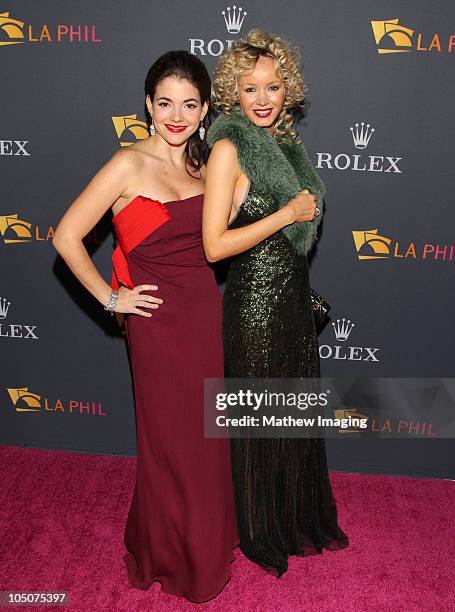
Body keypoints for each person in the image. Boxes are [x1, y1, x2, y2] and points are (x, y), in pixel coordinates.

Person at [52, 50, 238, 603]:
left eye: (188, 104)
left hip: (205, 315)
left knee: (206, 440)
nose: (176, 115)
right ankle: (170, 555)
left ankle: (206, 547)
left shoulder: (206, 166)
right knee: (169, 445)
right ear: (147, 106)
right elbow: (65, 237)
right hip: (156, 324)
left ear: (205, 109)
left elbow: (218, 243)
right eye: (164, 103)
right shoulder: (127, 164)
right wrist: (112, 297)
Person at [202, 29, 349, 577]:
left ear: (288, 90)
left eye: (273, 87)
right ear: (232, 96)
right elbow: (214, 246)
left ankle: (293, 517)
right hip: (254, 311)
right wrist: (286, 216)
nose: (262, 99)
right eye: (250, 89)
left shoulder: (289, 146)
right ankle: (262, 528)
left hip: (289, 305)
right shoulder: (227, 148)